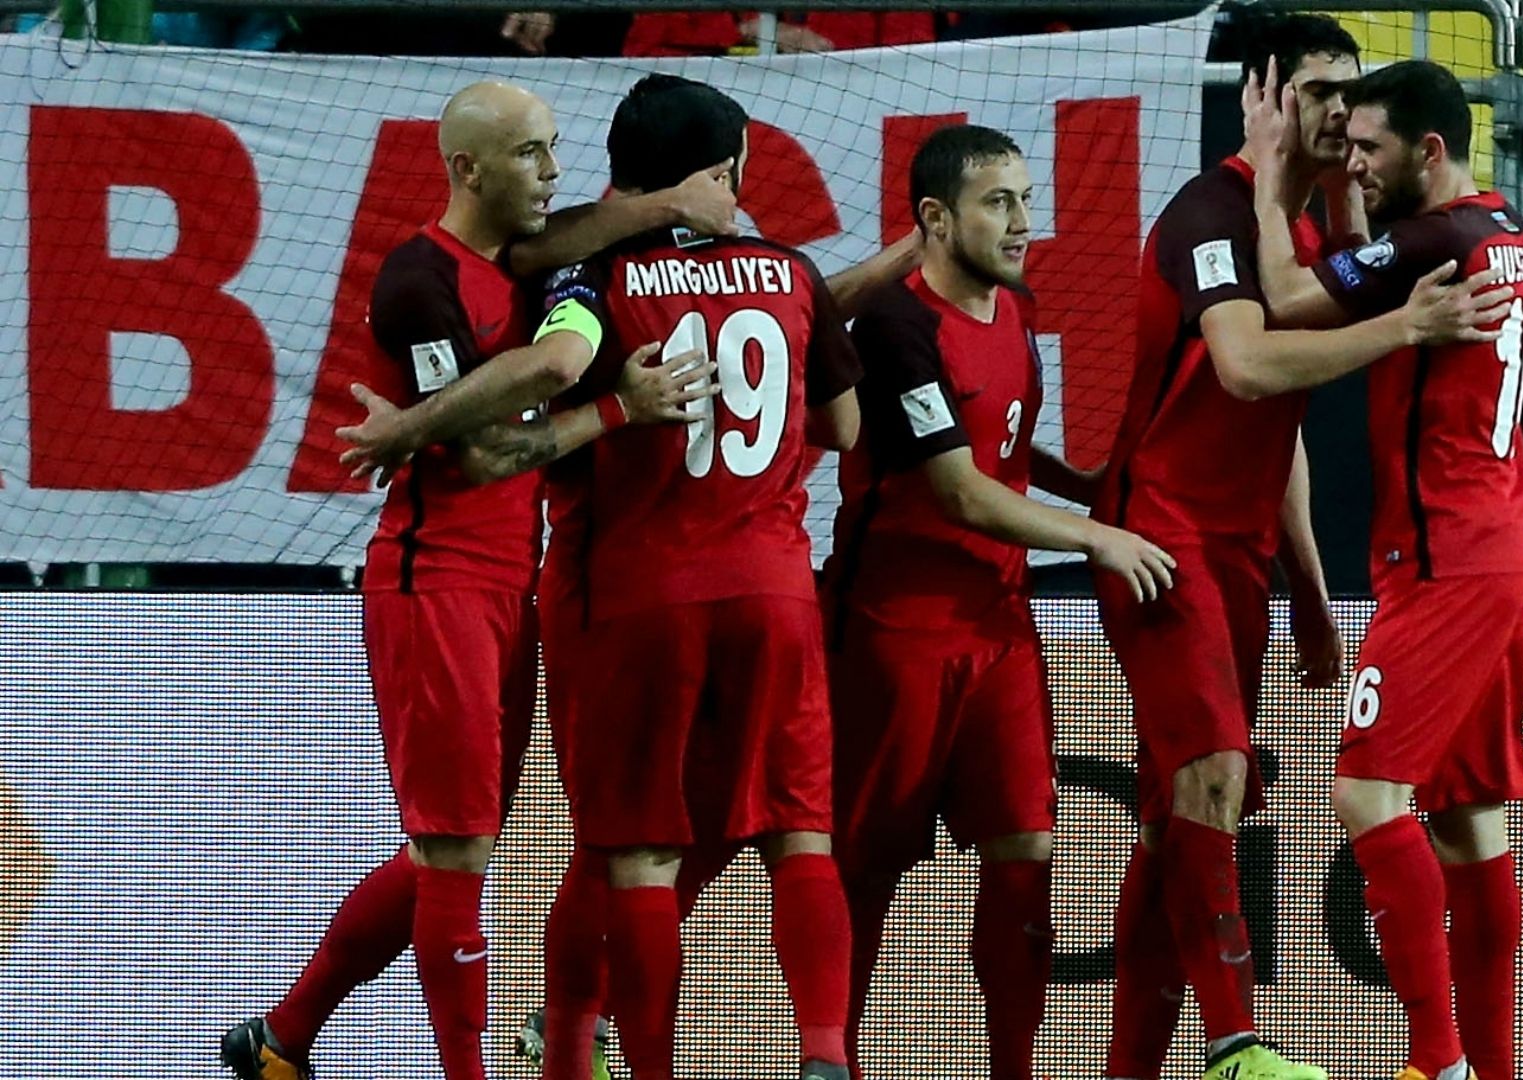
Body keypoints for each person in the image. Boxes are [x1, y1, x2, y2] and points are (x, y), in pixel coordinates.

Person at [221, 80, 733, 1080]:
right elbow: (492, 449)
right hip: (436, 584)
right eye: (531, 154)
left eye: (554, 148)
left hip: (509, 586)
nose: (552, 172)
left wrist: (672, 203)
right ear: (468, 167)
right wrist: (618, 411)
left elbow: (579, 232)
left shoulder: (520, 259)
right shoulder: (418, 279)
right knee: (456, 854)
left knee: (456, 848)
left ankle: (282, 1039)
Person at [1092, 38, 1513, 1080]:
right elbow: (1248, 366)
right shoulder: (1212, 214)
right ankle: (1238, 1049)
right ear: (1265, 100)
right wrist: (1401, 327)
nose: (1339, 119)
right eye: (1320, 93)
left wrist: (1309, 589)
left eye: (1352, 101)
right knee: (1218, 782)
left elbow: (1277, 430)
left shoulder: (1328, 228)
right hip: (1165, 537)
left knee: (1183, 816)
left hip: (1264, 552)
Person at [524, 73, 862, 1080]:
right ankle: (825, 1054)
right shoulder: (790, 270)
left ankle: (636, 1064)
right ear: (726, 171)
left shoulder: (593, 278)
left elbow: (549, 405)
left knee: (632, 852)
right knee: (800, 832)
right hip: (775, 588)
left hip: (639, 589)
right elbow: (843, 427)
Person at [823, 123, 1176, 1080]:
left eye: (1025, 198)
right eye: (998, 202)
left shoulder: (1014, 308)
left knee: (1026, 852)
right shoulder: (893, 326)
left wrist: (1084, 485)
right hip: (894, 633)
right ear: (935, 219)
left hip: (1001, 628)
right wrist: (1098, 536)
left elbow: (1002, 452)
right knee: (865, 869)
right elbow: (958, 490)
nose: (1023, 222)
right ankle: (832, 1060)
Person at [1245, 59, 1523, 1080]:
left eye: (1370, 148)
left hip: (1445, 563)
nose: (1354, 161)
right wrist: (1343, 197)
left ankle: (1436, 1062)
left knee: (1367, 796)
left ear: (1430, 149)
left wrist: (1273, 175)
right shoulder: (1496, 225)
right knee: (1467, 820)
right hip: (1496, 548)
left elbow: (1288, 298)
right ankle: (1490, 1071)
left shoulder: (1433, 242)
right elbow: (1370, 262)